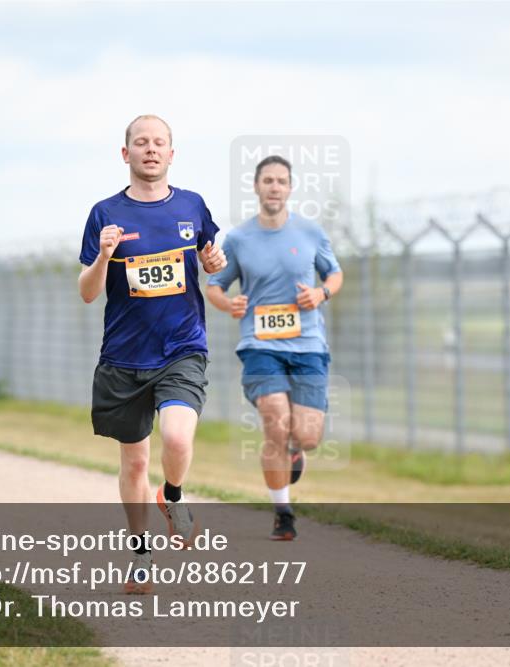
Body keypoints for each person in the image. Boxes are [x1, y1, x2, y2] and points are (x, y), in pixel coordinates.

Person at [78, 115, 227, 593]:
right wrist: (103, 256)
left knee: (178, 439)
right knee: (136, 463)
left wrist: (214, 262)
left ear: (171, 153)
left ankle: (174, 495)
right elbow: (86, 292)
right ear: (126, 154)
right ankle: (140, 554)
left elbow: (210, 258)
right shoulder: (105, 213)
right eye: (140, 143)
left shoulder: (192, 205)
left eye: (158, 142)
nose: (150, 149)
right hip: (125, 356)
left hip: (182, 347)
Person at [206, 155, 343, 540]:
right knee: (274, 420)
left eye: (281, 181)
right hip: (259, 344)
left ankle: (297, 451)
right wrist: (227, 303)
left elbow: (334, 273)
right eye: (268, 180)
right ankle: (283, 512)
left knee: (308, 435)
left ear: (290, 188)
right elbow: (215, 285)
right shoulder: (238, 239)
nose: (274, 187)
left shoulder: (311, 233)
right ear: (256, 186)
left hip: (309, 345)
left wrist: (321, 293)